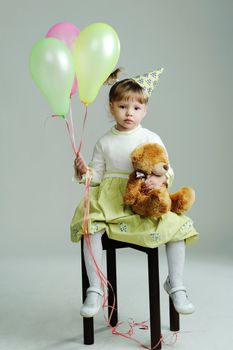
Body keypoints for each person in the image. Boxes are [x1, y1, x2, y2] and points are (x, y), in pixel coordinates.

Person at [71, 68, 198, 318]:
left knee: (175, 227)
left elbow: (166, 167)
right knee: (91, 226)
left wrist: (160, 177)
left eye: (136, 108)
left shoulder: (150, 137)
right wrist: (82, 171)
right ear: (111, 107)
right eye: (122, 106)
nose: (129, 113)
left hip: (143, 198)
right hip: (111, 201)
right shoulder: (104, 142)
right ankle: (96, 288)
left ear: (145, 110)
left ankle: (176, 283)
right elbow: (95, 177)